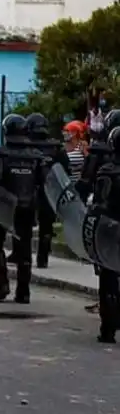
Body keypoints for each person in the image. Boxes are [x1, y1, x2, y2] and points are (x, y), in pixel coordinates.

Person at [0, 114, 44, 303]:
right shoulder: (36, 156)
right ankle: (24, 291)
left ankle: (2, 282)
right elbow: (43, 184)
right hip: (27, 207)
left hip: (4, 207)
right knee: (24, 247)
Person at [25, 113, 69, 269]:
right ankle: (42, 259)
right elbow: (66, 170)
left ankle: (23, 256)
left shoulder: (26, 146)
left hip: (28, 190)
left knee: (24, 224)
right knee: (46, 226)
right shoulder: (56, 147)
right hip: (50, 191)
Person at [91, 127, 120, 343]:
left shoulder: (107, 171)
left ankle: (108, 327)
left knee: (108, 277)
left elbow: (100, 203)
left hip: (111, 229)